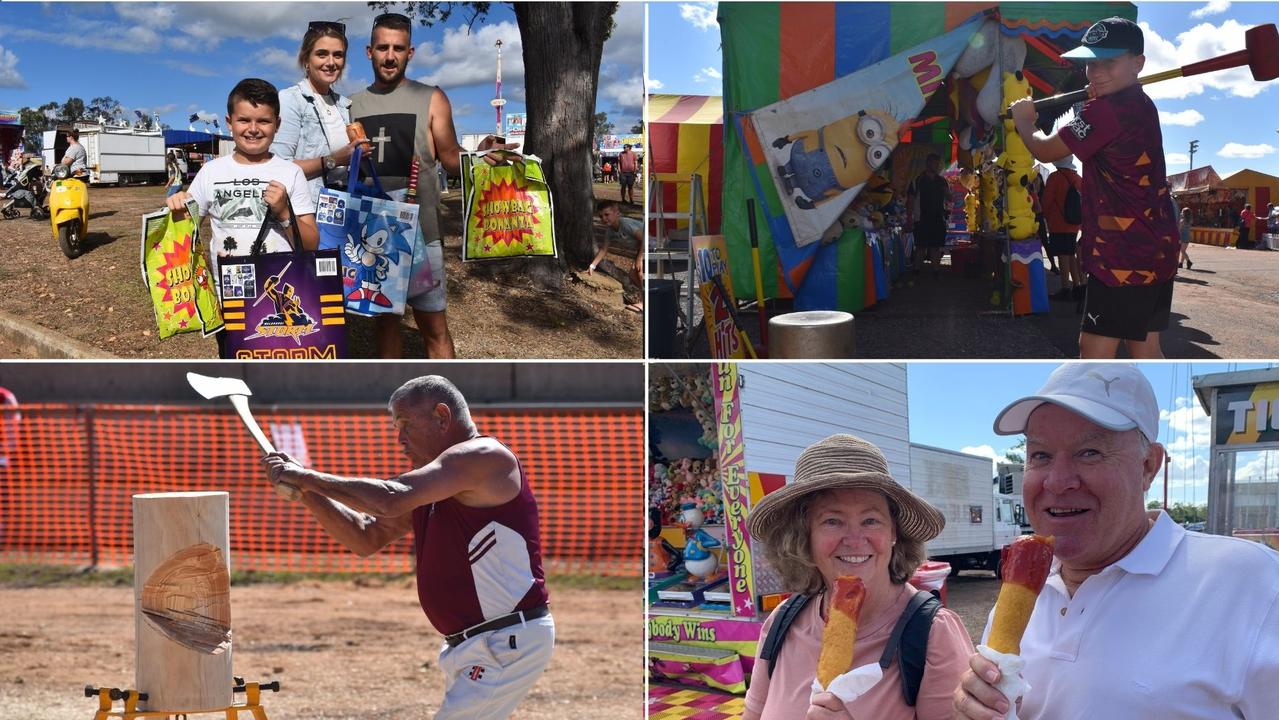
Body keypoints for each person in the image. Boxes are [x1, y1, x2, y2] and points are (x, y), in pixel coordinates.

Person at [953, 363, 1279, 719]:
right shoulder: (1019, 602)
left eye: (1089, 452)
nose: (1057, 481)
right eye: (1040, 455)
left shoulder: (1253, 582)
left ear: (1148, 466)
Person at [260, 375, 554, 719]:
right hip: (479, 643)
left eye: (404, 425)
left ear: (442, 417)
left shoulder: (483, 456)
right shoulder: (441, 482)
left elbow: (389, 499)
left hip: (505, 638)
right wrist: (308, 495)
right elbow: (366, 536)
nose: (399, 439)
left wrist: (306, 477)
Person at [742, 434, 975, 720]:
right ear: (806, 537)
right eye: (832, 521)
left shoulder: (933, 633)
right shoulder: (783, 621)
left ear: (894, 533)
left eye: (870, 520)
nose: (854, 540)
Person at [1009, 17, 1179, 360]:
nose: (1097, 72)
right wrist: (1094, 100)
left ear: (1138, 63)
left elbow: (1044, 149)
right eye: (1091, 63)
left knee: (1094, 352)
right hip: (1156, 246)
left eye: (1109, 62)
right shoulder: (1141, 103)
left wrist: (1024, 121)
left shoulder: (1106, 112)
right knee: (1144, 346)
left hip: (1123, 254)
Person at [350, 13, 512, 359]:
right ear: (369, 52)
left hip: (424, 233)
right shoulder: (353, 105)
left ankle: (449, 395)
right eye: (382, 48)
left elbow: (452, 159)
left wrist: (481, 156)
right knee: (385, 322)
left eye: (398, 48)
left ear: (411, 52)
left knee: (434, 326)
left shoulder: (432, 97)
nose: (390, 56)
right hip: (370, 237)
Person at [166, 78, 318, 356]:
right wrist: (178, 209)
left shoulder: (290, 172)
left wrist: (284, 212)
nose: (253, 129)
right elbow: (186, 235)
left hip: (280, 302)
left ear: (278, 124)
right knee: (236, 371)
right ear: (229, 121)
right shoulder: (211, 172)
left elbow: (311, 245)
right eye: (244, 120)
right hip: (230, 302)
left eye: (264, 121)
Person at [271, 20, 370, 208]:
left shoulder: (343, 104)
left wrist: (356, 157)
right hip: (306, 209)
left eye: (338, 55)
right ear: (306, 59)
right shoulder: (290, 99)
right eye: (322, 54)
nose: (331, 62)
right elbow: (279, 167)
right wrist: (335, 160)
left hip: (339, 205)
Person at [1041, 156, 1084, 300]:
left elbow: (1046, 201)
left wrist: (1046, 217)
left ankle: (1065, 288)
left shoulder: (1055, 177)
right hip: (1075, 223)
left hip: (1058, 222)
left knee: (1063, 255)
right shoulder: (1078, 178)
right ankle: (1077, 286)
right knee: (1071, 253)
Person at [593, 199, 643, 313]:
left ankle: (645, 302)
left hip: (649, 245)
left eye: (607, 215)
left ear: (616, 213)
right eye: (601, 216)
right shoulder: (610, 230)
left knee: (639, 272)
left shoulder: (625, 224)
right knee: (633, 275)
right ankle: (645, 299)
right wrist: (592, 266)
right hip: (641, 250)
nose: (604, 219)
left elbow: (644, 238)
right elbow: (604, 249)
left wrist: (640, 259)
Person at [909, 153, 949, 280]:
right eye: (934, 163)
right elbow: (910, 199)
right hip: (922, 217)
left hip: (938, 217)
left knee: (935, 246)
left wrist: (947, 192)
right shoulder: (918, 179)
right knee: (920, 245)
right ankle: (916, 269)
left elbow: (950, 197)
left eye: (938, 163)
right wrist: (909, 217)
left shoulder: (942, 180)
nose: (937, 165)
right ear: (928, 163)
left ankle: (936, 270)